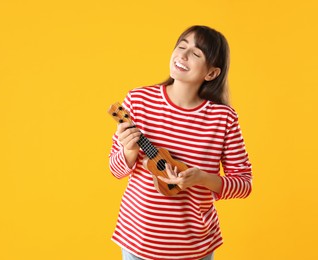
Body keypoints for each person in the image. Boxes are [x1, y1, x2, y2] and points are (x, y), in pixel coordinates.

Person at [108, 25, 252, 260]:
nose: (183, 55)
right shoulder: (138, 100)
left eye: (196, 53)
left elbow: (244, 184)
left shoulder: (223, 118)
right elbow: (115, 170)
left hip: (195, 247)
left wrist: (202, 178)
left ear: (212, 73)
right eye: (181, 46)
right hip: (138, 240)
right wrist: (128, 150)